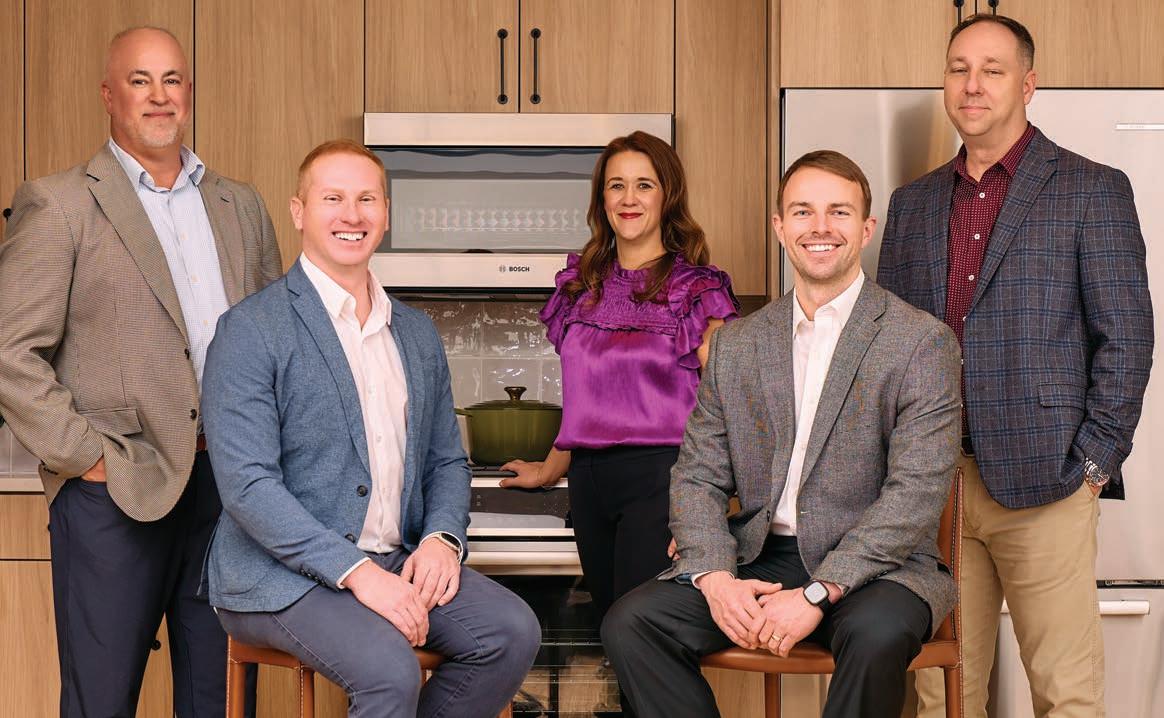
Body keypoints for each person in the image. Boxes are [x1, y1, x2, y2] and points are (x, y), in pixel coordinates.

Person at [601, 150, 962, 718]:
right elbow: (697, 477)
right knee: (632, 622)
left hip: (881, 569)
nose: (820, 227)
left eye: (838, 212)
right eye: (802, 212)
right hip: (760, 558)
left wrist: (819, 592)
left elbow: (915, 494)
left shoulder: (920, 342)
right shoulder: (738, 344)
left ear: (866, 229)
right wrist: (717, 579)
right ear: (779, 227)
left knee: (877, 636)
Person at [201, 139, 541, 718]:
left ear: (386, 213)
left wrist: (441, 540)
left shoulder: (416, 333)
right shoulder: (250, 330)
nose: (352, 215)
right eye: (332, 198)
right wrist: (356, 572)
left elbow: (445, 462)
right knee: (388, 668)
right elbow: (248, 487)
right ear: (299, 212)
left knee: (510, 632)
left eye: (367, 199)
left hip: (396, 558)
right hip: (278, 574)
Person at [877, 14, 1153, 718]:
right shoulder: (912, 206)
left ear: (1027, 85)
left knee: (1065, 695)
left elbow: (1127, 337)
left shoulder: (1092, 189)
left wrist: (1093, 463)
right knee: (944, 694)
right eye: (959, 69)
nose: (972, 85)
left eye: (992, 70)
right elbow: (891, 349)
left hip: (1047, 482)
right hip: (935, 488)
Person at [0, 26, 281, 717]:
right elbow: (9, 349)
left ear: (189, 92)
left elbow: (276, 345)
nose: (159, 96)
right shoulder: (59, 203)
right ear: (108, 95)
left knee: (219, 701)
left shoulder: (240, 205)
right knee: (101, 701)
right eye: (139, 80)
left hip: (228, 493)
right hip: (116, 490)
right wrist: (86, 456)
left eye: (172, 80)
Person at [500, 130, 739, 626]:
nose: (629, 198)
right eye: (617, 185)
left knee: (638, 633)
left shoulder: (696, 290)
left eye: (644, 185)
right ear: (602, 199)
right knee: (611, 633)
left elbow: (736, 409)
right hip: (589, 483)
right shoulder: (580, 288)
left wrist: (716, 507)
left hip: (664, 481)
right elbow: (587, 400)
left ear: (668, 196)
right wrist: (549, 469)